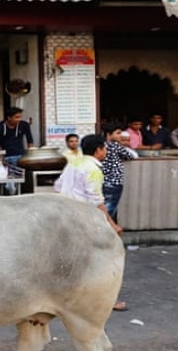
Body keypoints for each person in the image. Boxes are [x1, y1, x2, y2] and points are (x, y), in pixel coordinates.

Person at [54, 134, 126, 311]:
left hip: (65, 215)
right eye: (104, 148)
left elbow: (58, 186)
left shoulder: (74, 163)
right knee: (101, 260)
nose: (106, 151)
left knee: (73, 259)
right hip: (84, 219)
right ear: (98, 150)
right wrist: (111, 223)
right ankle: (105, 300)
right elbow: (96, 200)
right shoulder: (93, 169)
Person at [101, 123, 139, 221]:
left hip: (103, 181)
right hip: (114, 182)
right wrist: (126, 147)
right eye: (118, 133)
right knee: (110, 210)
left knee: (106, 208)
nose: (120, 136)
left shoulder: (101, 146)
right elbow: (133, 156)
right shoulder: (114, 146)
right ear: (109, 134)